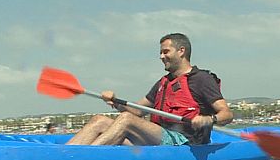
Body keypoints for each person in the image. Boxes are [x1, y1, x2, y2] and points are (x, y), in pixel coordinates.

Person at [67, 33, 233, 146]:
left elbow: (227, 114)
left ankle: (82, 158)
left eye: (165, 51)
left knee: (126, 120)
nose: (161, 56)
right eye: (160, 52)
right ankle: (63, 155)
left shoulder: (201, 79)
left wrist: (209, 119)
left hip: (184, 141)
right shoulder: (163, 82)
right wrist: (114, 101)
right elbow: (137, 111)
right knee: (99, 120)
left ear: (181, 51)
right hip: (159, 137)